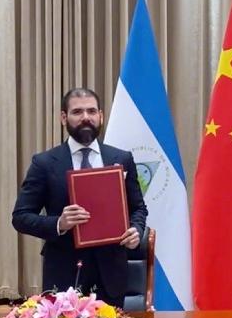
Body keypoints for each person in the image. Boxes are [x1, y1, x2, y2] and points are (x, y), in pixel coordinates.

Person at [12, 87, 148, 305]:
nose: (86, 117)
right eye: (77, 112)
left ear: (101, 116)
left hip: (111, 275)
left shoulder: (122, 158)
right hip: (63, 274)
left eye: (91, 111)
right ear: (63, 118)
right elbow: (20, 217)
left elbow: (139, 208)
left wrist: (136, 230)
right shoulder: (44, 163)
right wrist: (59, 223)